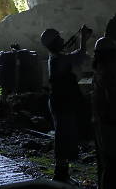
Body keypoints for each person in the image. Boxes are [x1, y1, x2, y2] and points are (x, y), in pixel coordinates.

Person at [41, 24, 92, 183]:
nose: (63, 39)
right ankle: (60, 175)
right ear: (55, 42)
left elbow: (73, 56)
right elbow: (80, 56)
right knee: (64, 138)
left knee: (65, 136)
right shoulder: (59, 59)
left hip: (60, 102)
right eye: (59, 38)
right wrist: (83, 39)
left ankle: (63, 173)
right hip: (62, 103)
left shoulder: (56, 58)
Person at [91, 37, 116, 189]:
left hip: (100, 123)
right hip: (110, 125)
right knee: (114, 167)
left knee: (105, 164)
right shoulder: (108, 76)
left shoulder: (98, 73)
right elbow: (113, 105)